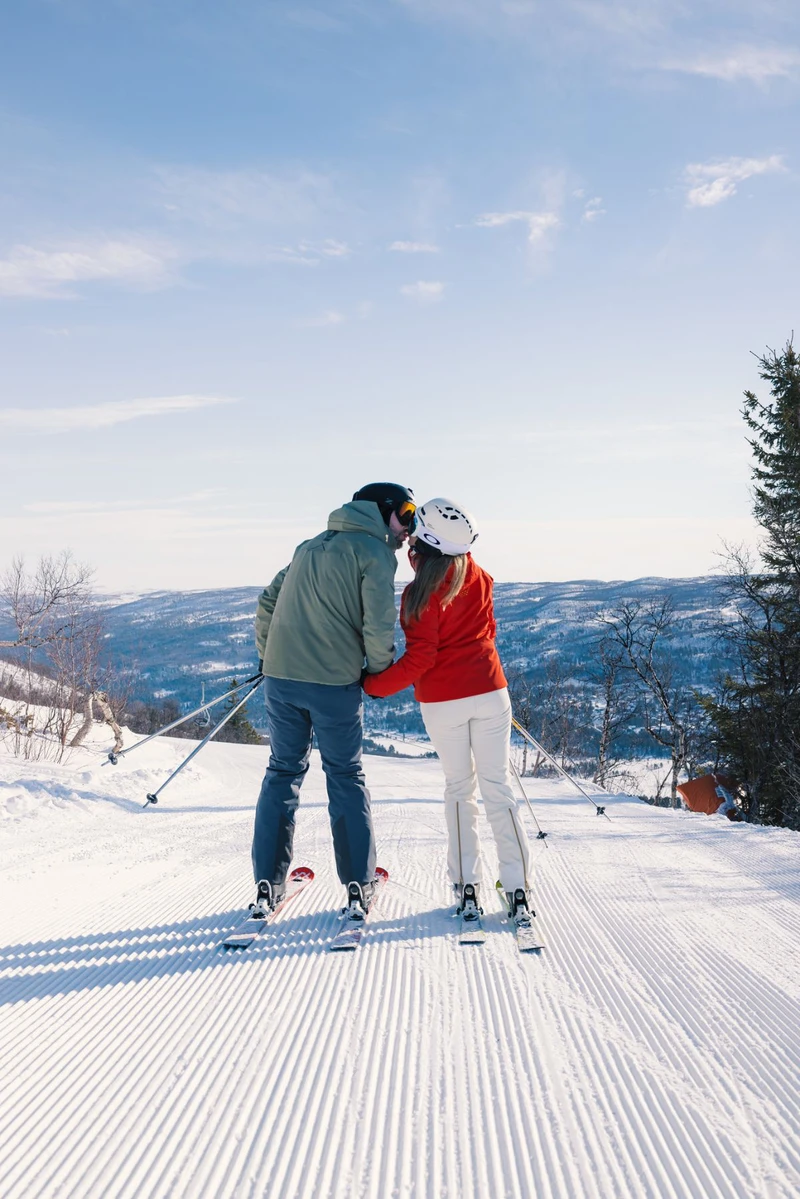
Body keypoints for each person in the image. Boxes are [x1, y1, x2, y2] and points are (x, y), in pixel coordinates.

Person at [363, 498, 534, 927]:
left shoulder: (418, 593)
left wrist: (373, 685)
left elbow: (420, 659)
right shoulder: (479, 576)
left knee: (460, 790)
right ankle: (517, 889)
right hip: (491, 692)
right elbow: (488, 632)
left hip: (443, 702)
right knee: (499, 790)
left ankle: (468, 887)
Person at [251, 483, 416, 917]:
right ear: (383, 512)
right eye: (406, 513)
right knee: (344, 776)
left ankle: (268, 885)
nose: (409, 527)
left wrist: (269, 655)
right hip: (333, 684)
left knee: (282, 772)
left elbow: (268, 602)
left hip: (281, 680)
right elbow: (378, 625)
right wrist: (379, 673)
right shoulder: (375, 555)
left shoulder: (309, 547)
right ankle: (359, 886)